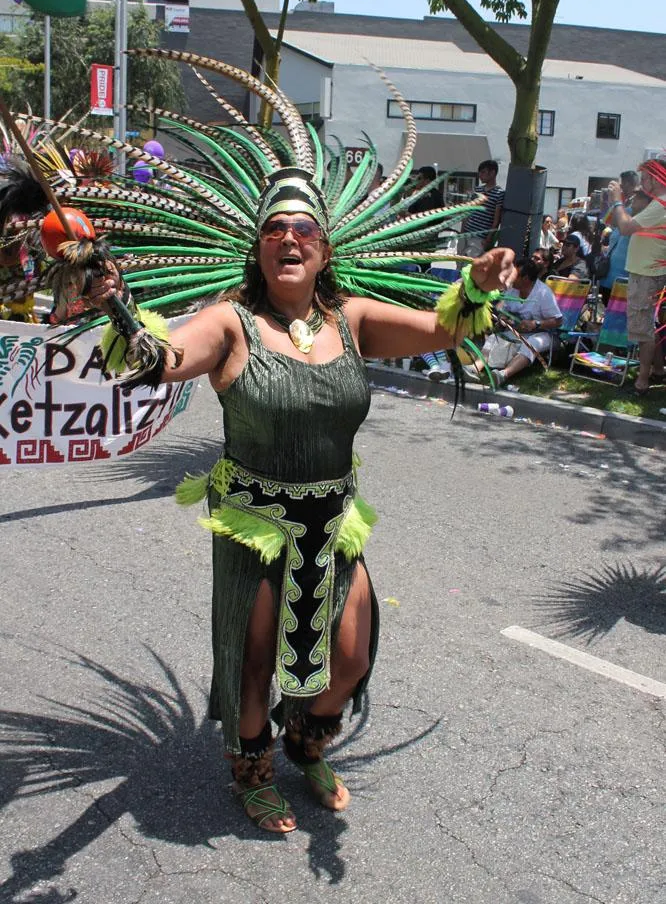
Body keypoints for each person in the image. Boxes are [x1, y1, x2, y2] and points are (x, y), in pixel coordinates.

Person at [57, 51, 517, 836]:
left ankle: (305, 738)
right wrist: (120, 307)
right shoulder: (231, 323)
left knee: (351, 657)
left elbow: (443, 326)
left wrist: (475, 283)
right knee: (254, 659)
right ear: (259, 249)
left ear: (325, 248)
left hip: (333, 520)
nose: (289, 238)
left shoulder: (354, 319)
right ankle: (252, 767)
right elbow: (161, 360)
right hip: (256, 521)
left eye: (303, 228)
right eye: (275, 229)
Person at [608, 158, 666, 395]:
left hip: (646, 274)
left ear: (656, 178)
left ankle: (642, 382)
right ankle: (658, 370)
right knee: (649, 327)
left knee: (643, 331)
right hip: (649, 273)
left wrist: (617, 201)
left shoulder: (661, 204)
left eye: (645, 178)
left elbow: (625, 228)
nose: (641, 183)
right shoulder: (659, 203)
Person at [463, 258, 562, 387]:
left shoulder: (543, 293)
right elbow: (504, 310)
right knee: (494, 338)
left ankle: (504, 374)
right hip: (520, 331)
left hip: (546, 334)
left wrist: (536, 324)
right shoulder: (512, 289)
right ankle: (475, 368)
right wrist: (503, 318)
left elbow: (558, 321)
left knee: (531, 343)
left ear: (526, 278)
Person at [458, 159, 504, 257]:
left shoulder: (499, 193)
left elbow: (496, 220)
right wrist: (462, 232)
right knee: (459, 262)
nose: (480, 175)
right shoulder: (477, 190)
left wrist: (488, 240)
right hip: (466, 233)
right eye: (479, 172)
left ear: (492, 173)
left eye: (483, 172)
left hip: (479, 238)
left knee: (470, 264)